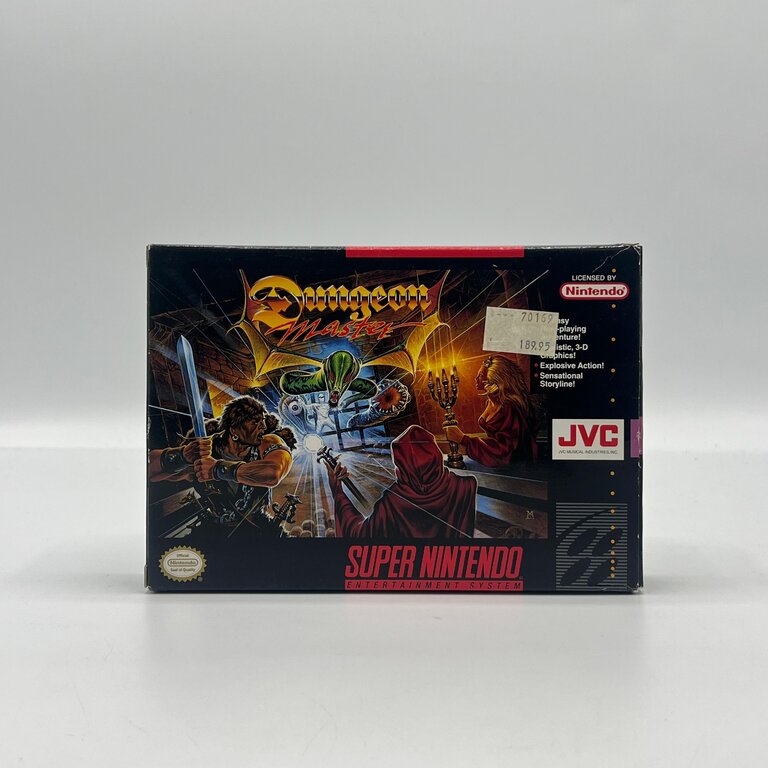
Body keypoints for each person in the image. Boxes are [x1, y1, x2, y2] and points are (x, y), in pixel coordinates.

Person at [149, 395, 295, 535]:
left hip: (256, 527)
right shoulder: (206, 450)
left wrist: (216, 469)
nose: (263, 426)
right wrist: (183, 455)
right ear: (234, 429)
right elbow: (149, 471)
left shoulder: (267, 442)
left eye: (262, 420)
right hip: (214, 529)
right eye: (255, 422)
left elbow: (273, 473)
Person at [325, 424, 476, 538]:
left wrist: (338, 492)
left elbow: (358, 535)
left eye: (398, 465)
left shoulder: (393, 503)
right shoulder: (466, 486)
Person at [444, 355, 537, 467]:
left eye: (480, 376)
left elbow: (504, 449)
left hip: (513, 464)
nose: (476, 379)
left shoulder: (509, 407)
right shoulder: (491, 401)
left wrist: (464, 440)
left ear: (493, 380)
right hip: (496, 458)